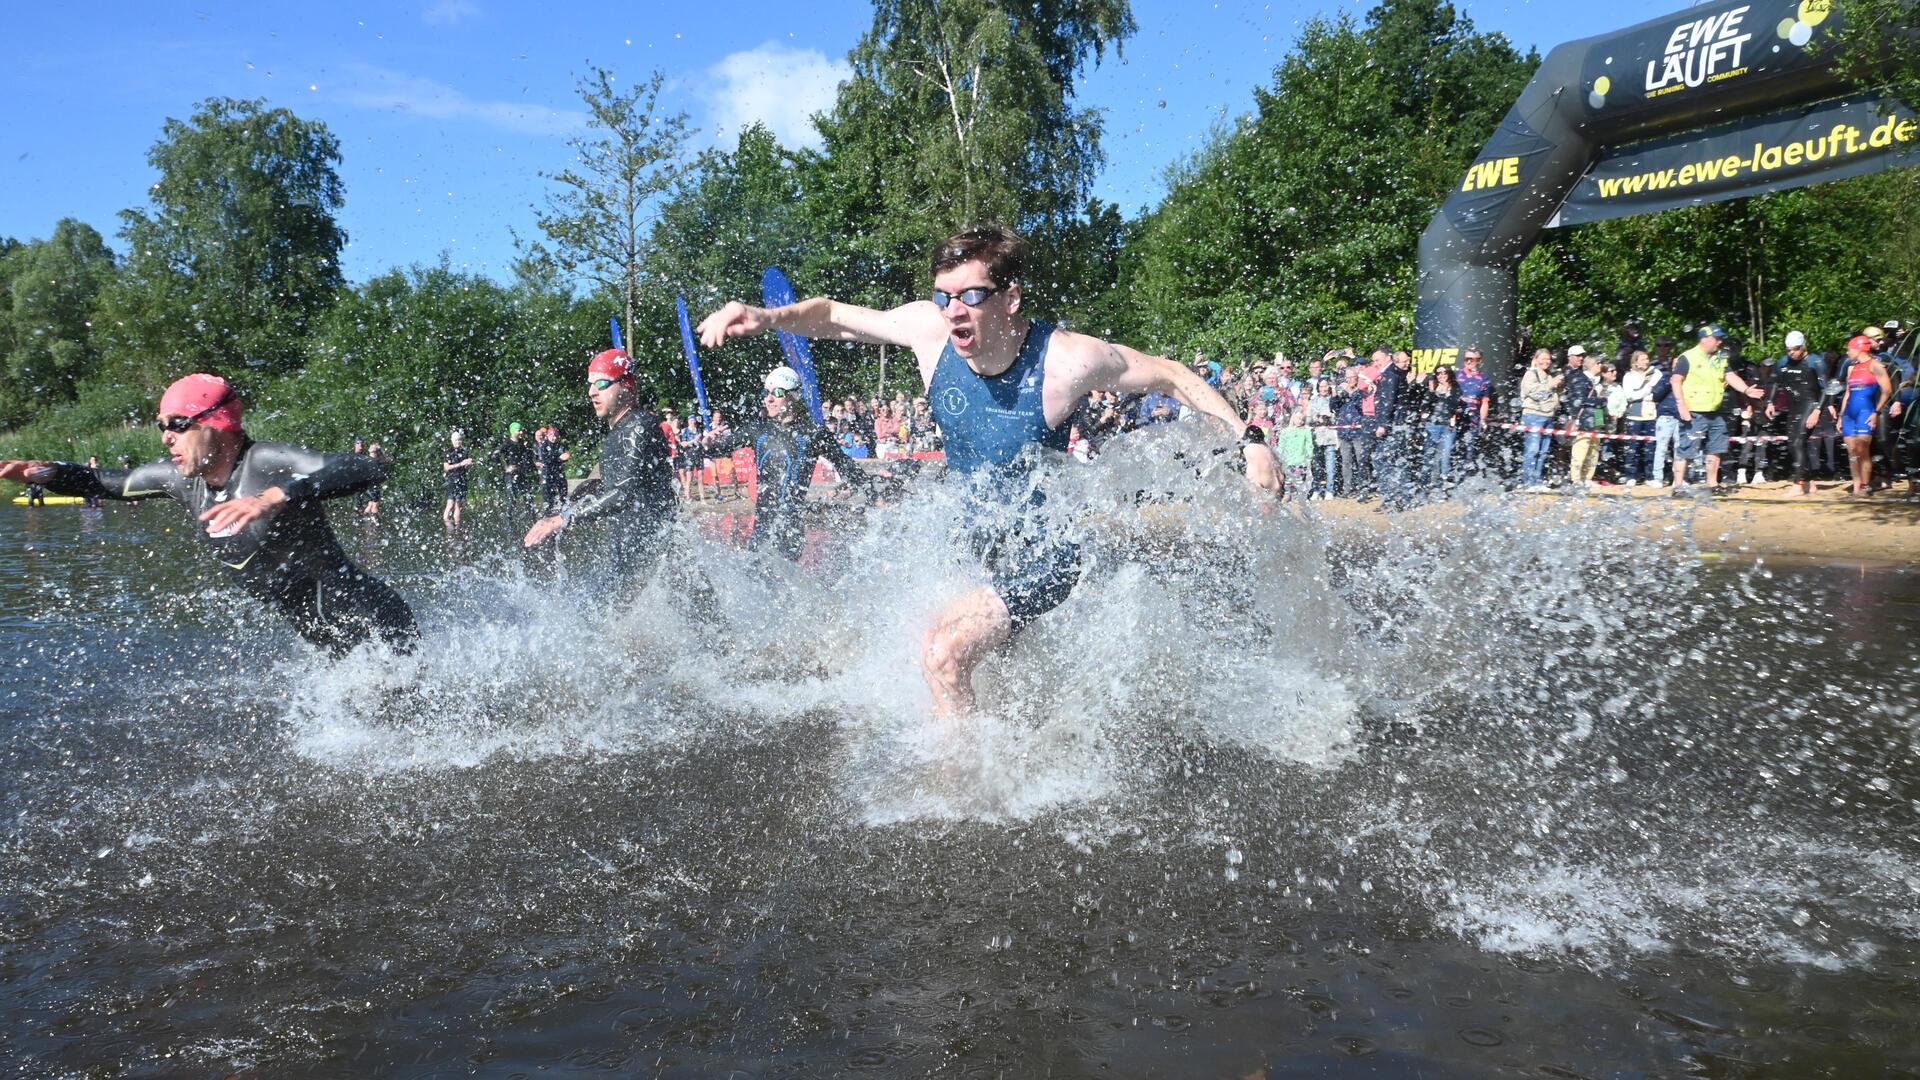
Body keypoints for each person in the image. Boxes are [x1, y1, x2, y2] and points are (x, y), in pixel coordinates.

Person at [696, 223, 1265, 721]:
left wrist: (1251, 441)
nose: (954, 311)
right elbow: (834, 317)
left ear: (1010, 298)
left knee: (942, 652)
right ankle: (1029, 745)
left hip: (1047, 554)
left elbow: (1170, 375)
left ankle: (962, 789)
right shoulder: (930, 333)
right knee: (991, 671)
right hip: (981, 546)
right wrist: (768, 316)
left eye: (971, 295)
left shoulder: (1066, 360)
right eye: (945, 296)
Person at [0, 374, 415, 655]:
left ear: (215, 423)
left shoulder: (266, 462)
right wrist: (50, 473)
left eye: (177, 424)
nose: (166, 437)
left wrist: (278, 495)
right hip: (326, 639)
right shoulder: (183, 480)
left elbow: (368, 468)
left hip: (375, 624)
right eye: (161, 425)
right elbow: (106, 482)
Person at [523, 349, 679, 580]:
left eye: (602, 384)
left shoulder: (638, 426)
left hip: (662, 559)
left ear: (626, 385)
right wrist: (563, 507)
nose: (592, 392)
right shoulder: (620, 430)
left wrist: (563, 519)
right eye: (591, 384)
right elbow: (602, 482)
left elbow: (621, 493)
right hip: (638, 553)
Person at [704, 366, 886, 560]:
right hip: (762, 529)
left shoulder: (814, 433)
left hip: (791, 531)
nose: (769, 399)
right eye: (767, 393)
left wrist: (874, 495)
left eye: (778, 393)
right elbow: (717, 449)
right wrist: (707, 444)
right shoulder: (757, 430)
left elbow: (845, 465)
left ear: (794, 396)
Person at [1671, 325, 1765, 493]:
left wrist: (1746, 389)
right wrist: (1681, 405)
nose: (1720, 342)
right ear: (1705, 339)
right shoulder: (1688, 357)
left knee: (1716, 448)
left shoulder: (1720, 357)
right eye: (1717, 338)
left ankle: (1712, 484)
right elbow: (1675, 380)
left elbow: (1730, 376)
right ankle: (1678, 486)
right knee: (1686, 449)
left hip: (1715, 411)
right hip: (1694, 411)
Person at [1838, 334, 1893, 497]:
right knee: (1852, 451)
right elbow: (1847, 393)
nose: (1847, 353)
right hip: (1849, 413)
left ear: (1860, 348)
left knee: (1862, 449)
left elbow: (1887, 391)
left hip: (1866, 411)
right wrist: (1841, 416)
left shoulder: (1875, 366)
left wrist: (1876, 412)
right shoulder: (1851, 368)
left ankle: (1864, 484)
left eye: (1849, 349)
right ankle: (1856, 487)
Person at [1770, 332, 1823, 498]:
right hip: (1794, 406)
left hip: (1810, 404)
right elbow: (1775, 383)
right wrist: (1770, 402)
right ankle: (1809, 482)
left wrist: (1817, 410)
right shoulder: (1783, 362)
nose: (1791, 352)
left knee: (1798, 442)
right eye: (1788, 350)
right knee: (1794, 443)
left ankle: (1798, 484)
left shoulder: (1816, 362)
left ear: (1803, 346)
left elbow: (1826, 388)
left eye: (1795, 349)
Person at [1517, 348, 1563, 491]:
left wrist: (1559, 387)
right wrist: (1552, 384)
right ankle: (1528, 481)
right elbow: (1535, 393)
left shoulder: (1549, 376)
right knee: (1533, 449)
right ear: (1536, 360)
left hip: (1548, 416)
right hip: (1534, 416)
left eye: (1548, 359)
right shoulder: (1530, 374)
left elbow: (1552, 396)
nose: (1546, 361)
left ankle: (1538, 480)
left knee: (1544, 451)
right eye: (1542, 358)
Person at [1618, 350, 1660, 486]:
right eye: (1642, 359)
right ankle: (1631, 475)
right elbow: (1630, 395)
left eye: (1647, 359)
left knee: (1650, 446)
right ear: (1635, 362)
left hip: (1651, 414)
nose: (1646, 362)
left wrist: (1645, 391)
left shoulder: (1656, 374)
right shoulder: (1629, 376)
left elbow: (1658, 391)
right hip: (1635, 415)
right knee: (1633, 447)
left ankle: (1649, 476)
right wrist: (1647, 389)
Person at [1420, 366, 1463, 496]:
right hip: (1433, 426)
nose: (1441, 375)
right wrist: (1432, 392)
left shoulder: (1455, 389)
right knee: (1429, 455)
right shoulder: (1432, 390)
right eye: (1438, 373)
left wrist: (1446, 390)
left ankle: (1445, 484)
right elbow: (1423, 406)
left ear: (1449, 374)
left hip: (1448, 427)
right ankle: (1425, 484)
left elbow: (1455, 405)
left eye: (1444, 373)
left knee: (1446, 456)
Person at [495, 422, 537, 514]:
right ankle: (509, 525)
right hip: (511, 476)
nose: (522, 432)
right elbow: (494, 456)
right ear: (513, 432)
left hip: (522, 474)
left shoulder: (523, 444)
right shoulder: (507, 443)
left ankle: (534, 523)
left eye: (522, 430)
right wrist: (505, 467)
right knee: (512, 501)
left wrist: (528, 449)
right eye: (519, 430)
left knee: (529, 499)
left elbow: (529, 458)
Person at [442, 430, 473, 527]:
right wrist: (461, 464)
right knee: (450, 504)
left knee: (458, 505)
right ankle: (447, 526)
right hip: (452, 480)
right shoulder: (448, 452)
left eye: (459, 440)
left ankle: (458, 528)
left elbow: (466, 467)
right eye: (456, 440)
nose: (458, 442)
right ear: (452, 441)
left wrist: (469, 464)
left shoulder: (464, 451)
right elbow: (446, 468)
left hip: (462, 479)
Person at [362, 443, 387, 518]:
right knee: (375, 503)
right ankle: (375, 522)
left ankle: (364, 519)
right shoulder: (371, 460)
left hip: (371, 485)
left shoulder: (371, 460)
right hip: (371, 485)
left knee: (371, 503)